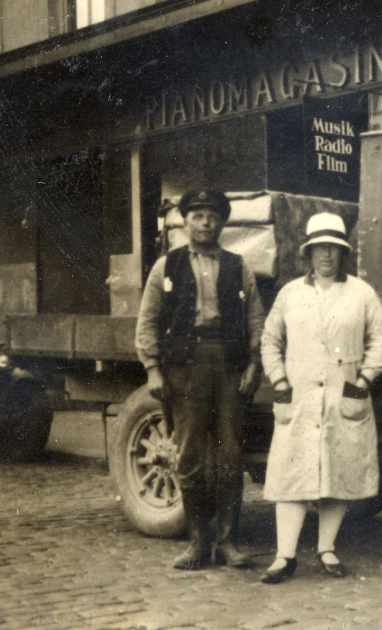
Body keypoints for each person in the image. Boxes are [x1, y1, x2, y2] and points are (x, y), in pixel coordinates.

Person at [135, 189, 265, 570]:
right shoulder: (166, 266)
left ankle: (228, 542)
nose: (206, 222)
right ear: (186, 222)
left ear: (222, 222)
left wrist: (254, 364)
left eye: (212, 216)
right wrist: (153, 368)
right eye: (198, 216)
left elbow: (256, 319)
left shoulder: (238, 266)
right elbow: (148, 321)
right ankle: (198, 543)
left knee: (228, 454)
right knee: (189, 453)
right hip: (184, 368)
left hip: (228, 365)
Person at [259, 212, 382, 584]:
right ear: (309, 253)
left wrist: (363, 379)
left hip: (343, 394)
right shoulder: (291, 293)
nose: (326, 256)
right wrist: (280, 382)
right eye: (320, 248)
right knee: (292, 472)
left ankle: (326, 547)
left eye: (333, 248)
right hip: (298, 396)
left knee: (338, 471)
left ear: (342, 252)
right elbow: (270, 339)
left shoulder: (361, 293)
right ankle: (284, 556)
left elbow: (380, 336)